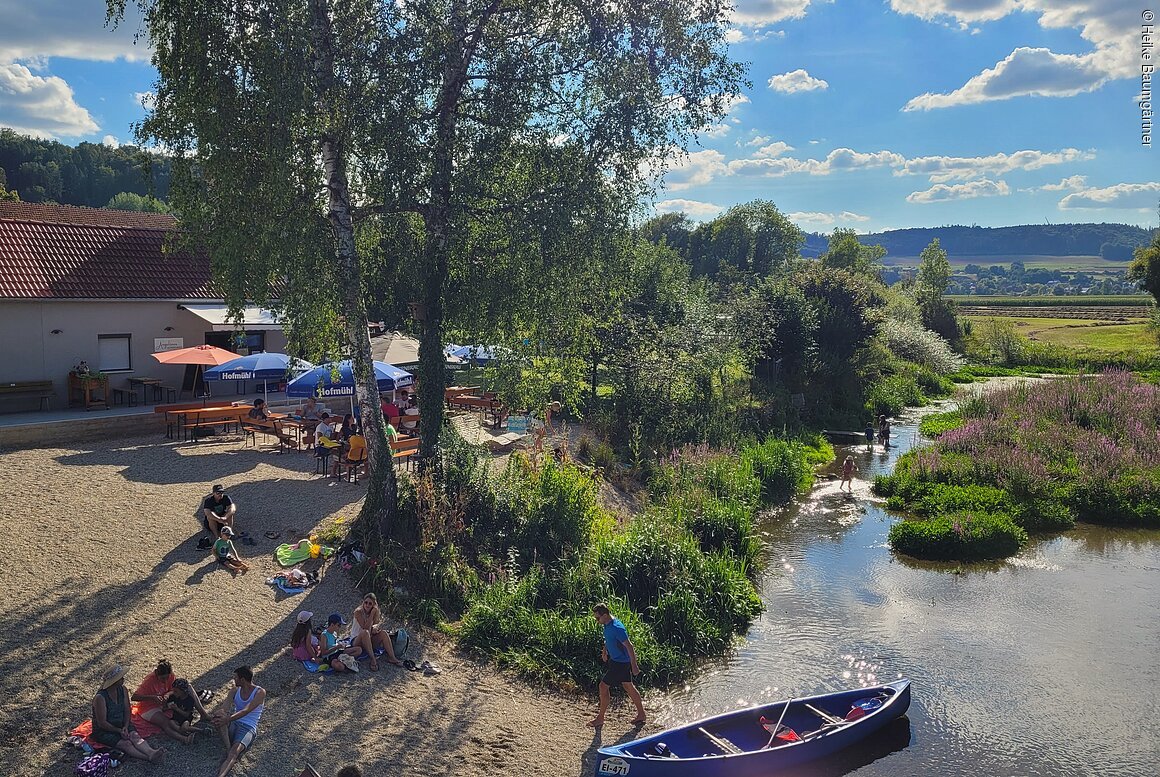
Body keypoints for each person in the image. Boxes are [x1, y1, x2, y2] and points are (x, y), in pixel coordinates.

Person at [91, 664, 166, 762]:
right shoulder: (100, 698)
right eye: (120, 678)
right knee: (126, 744)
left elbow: (127, 709)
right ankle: (148, 757)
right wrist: (119, 730)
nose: (123, 679)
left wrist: (126, 726)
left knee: (135, 736)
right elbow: (102, 723)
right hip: (105, 730)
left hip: (122, 723)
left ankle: (151, 752)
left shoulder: (123, 690)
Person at [588, 603, 645, 728]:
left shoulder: (617, 628)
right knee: (628, 686)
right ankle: (641, 714)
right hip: (615, 661)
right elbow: (608, 639)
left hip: (620, 663)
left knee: (603, 686)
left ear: (605, 615)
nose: (597, 621)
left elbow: (629, 646)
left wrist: (634, 666)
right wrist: (604, 651)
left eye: (598, 618)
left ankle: (600, 718)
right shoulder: (607, 624)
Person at [131, 659, 208, 744]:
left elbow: (173, 689)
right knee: (165, 722)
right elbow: (134, 697)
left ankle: (203, 714)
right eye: (162, 678)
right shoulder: (149, 681)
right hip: (149, 707)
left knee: (187, 687)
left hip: (166, 702)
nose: (165, 680)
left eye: (167, 677)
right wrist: (153, 697)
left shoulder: (170, 676)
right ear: (156, 673)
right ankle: (184, 738)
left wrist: (168, 694)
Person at [211, 665, 265, 777]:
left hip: (248, 727)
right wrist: (219, 714)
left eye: (236, 678)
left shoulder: (260, 692)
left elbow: (246, 710)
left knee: (234, 753)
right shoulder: (234, 690)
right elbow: (225, 707)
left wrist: (227, 719)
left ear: (243, 679)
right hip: (234, 722)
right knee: (219, 718)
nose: (233, 680)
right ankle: (227, 747)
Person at [350, 593, 403, 671]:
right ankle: (373, 659)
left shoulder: (374, 612)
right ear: (363, 602)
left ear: (373, 605)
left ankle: (392, 657)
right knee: (365, 632)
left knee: (383, 633)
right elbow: (365, 628)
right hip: (356, 639)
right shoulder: (358, 612)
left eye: (370, 603)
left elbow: (376, 624)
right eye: (366, 602)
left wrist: (375, 628)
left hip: (368, 639)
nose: (367, 605)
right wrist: (372, 614)